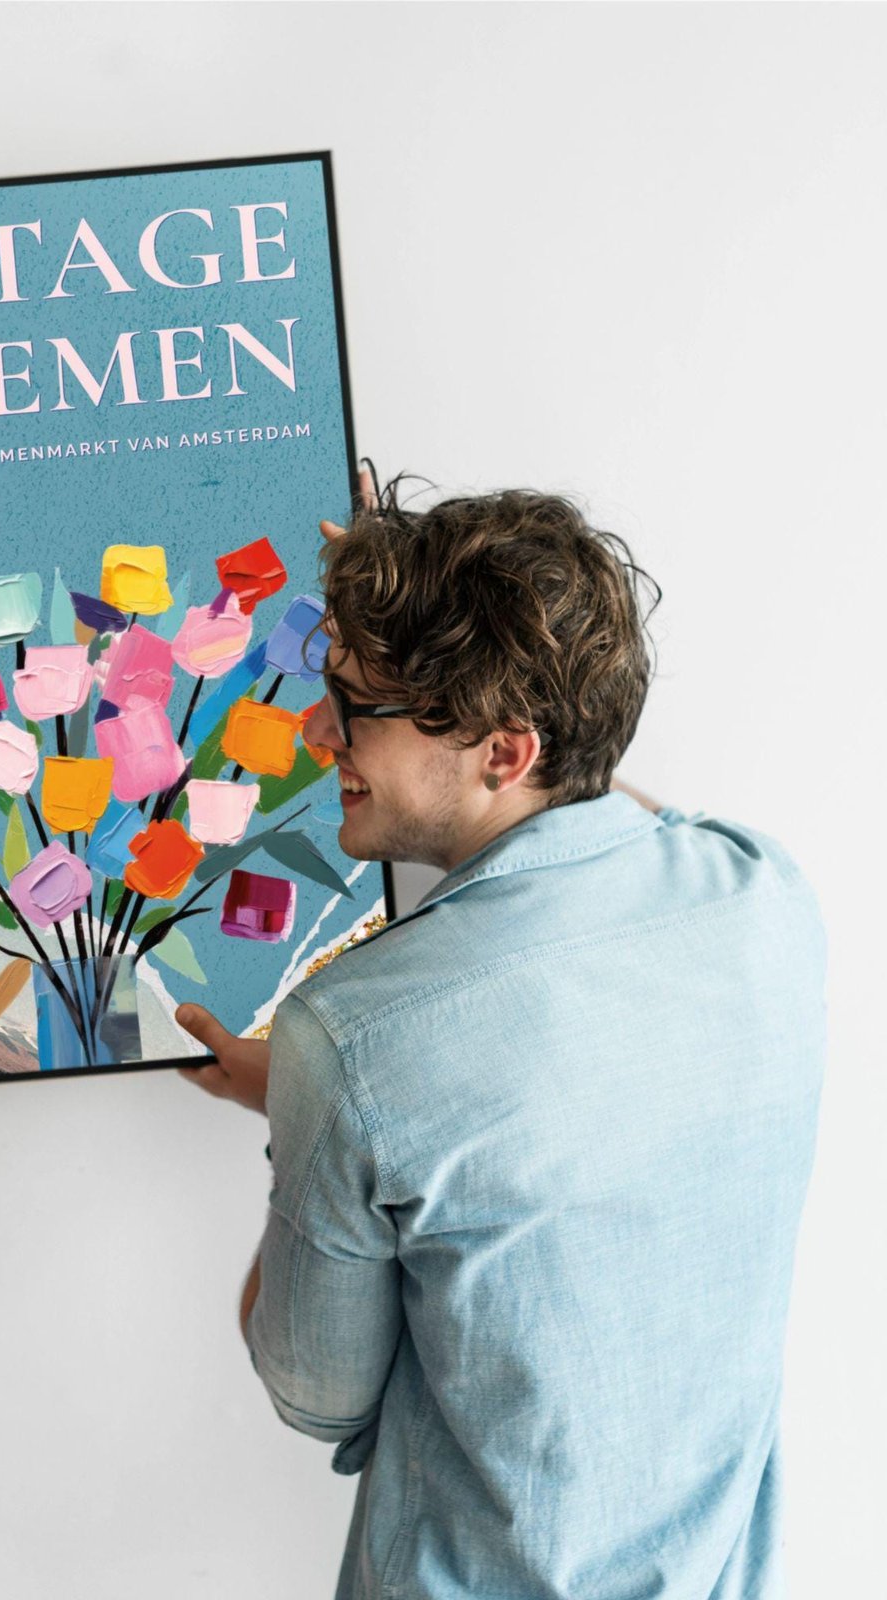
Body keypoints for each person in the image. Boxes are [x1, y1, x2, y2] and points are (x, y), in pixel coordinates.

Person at [177, 473, 825, 1600]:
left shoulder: (352, 1037)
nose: (318, 728)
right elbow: (605, 804)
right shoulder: (760, 890)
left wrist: (307, 1109)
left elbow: (312, 1393)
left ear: (503, 751)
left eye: (356, 704)